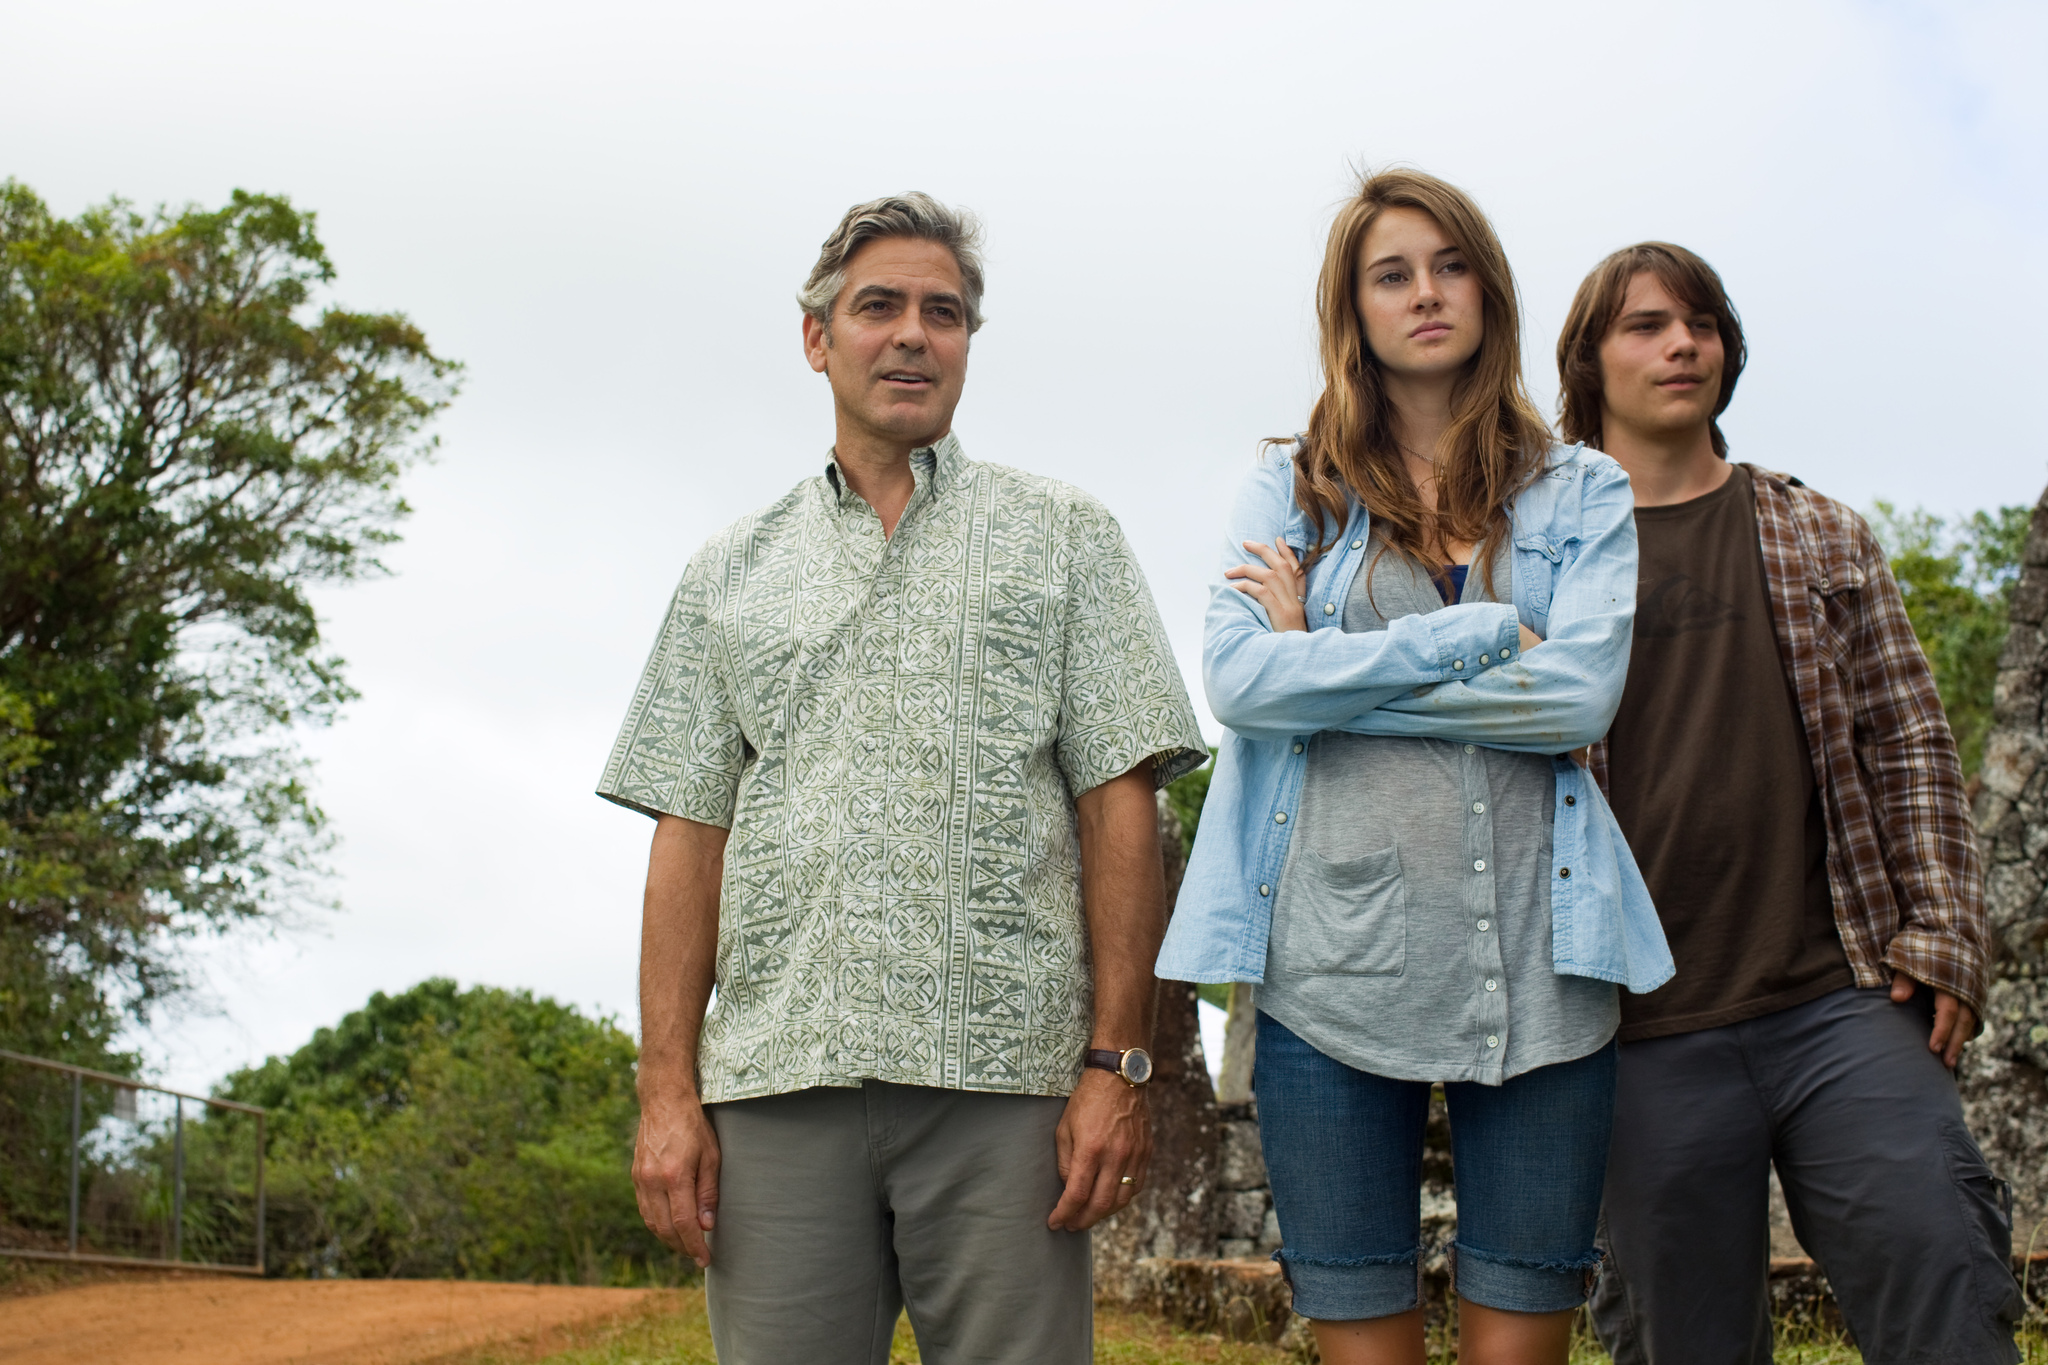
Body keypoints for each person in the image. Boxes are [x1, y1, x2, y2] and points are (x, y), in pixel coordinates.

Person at [598, 192, 1207, 1365]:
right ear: (818, 338)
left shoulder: (1066, 537)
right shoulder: (729, 570)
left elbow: (1119, 806)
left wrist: (1116, 1065)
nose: (914, 334)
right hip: (777, 1089)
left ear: (969, 342)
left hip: (1006, 1092)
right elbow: (688, 832)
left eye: (945, 311)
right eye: (877, 307)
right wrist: (666, 1095)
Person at [1157, 169, 1673, 1365]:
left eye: (1448, 266)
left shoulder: (1580, 488)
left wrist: (1325, 668)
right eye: (1392, 274)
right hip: (1329, 977)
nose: (1425, 294)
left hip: (1539, 977)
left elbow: (1576, 702)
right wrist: (1475, 631)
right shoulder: (1288, 485)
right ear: (1353, 307)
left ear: (1486, 289)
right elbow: (1237, 686)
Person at [1556, 241, 2022, 1363]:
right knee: (1684, 1342)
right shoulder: (1539, 554)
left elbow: (1909, 740)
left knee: (1946, 1282)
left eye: (1701, 324)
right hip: (1638, 1030)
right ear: (1587, 362)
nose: (1681, 345)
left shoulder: (1817, 532)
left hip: (1842, 1000)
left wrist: (1946, 931)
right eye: (1647, 325)